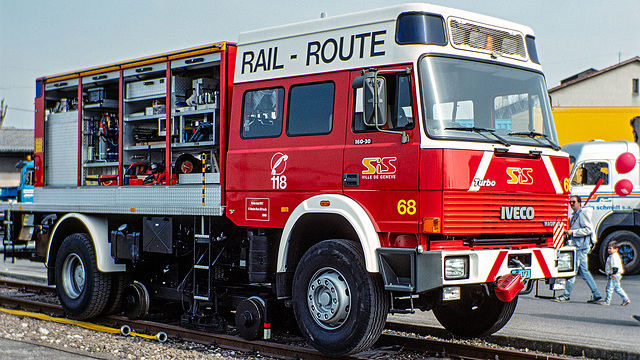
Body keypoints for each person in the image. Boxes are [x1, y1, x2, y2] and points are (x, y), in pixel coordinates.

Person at [554, 195, 603, 303]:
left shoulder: (582, 215)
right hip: (579, 246)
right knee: (584, 272)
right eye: (570, 202)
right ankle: (596, 294)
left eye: (573, 202)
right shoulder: (575, 215)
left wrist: (573, 232)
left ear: (579, 203)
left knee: (572, 271)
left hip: (580, 247)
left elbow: (588, 230)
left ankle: (566, 295)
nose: (571, 204)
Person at [599, 241, 630, 306]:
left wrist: (614, 274)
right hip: (616, 275)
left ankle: (607, 301)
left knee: (609, 288)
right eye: (608, 248)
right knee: (617, 288)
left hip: (615, 275)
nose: (609, 250)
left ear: (616, 249)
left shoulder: (614, 257)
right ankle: (626, 299)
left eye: (611, 248)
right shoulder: (613, 256)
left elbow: (615, 266)